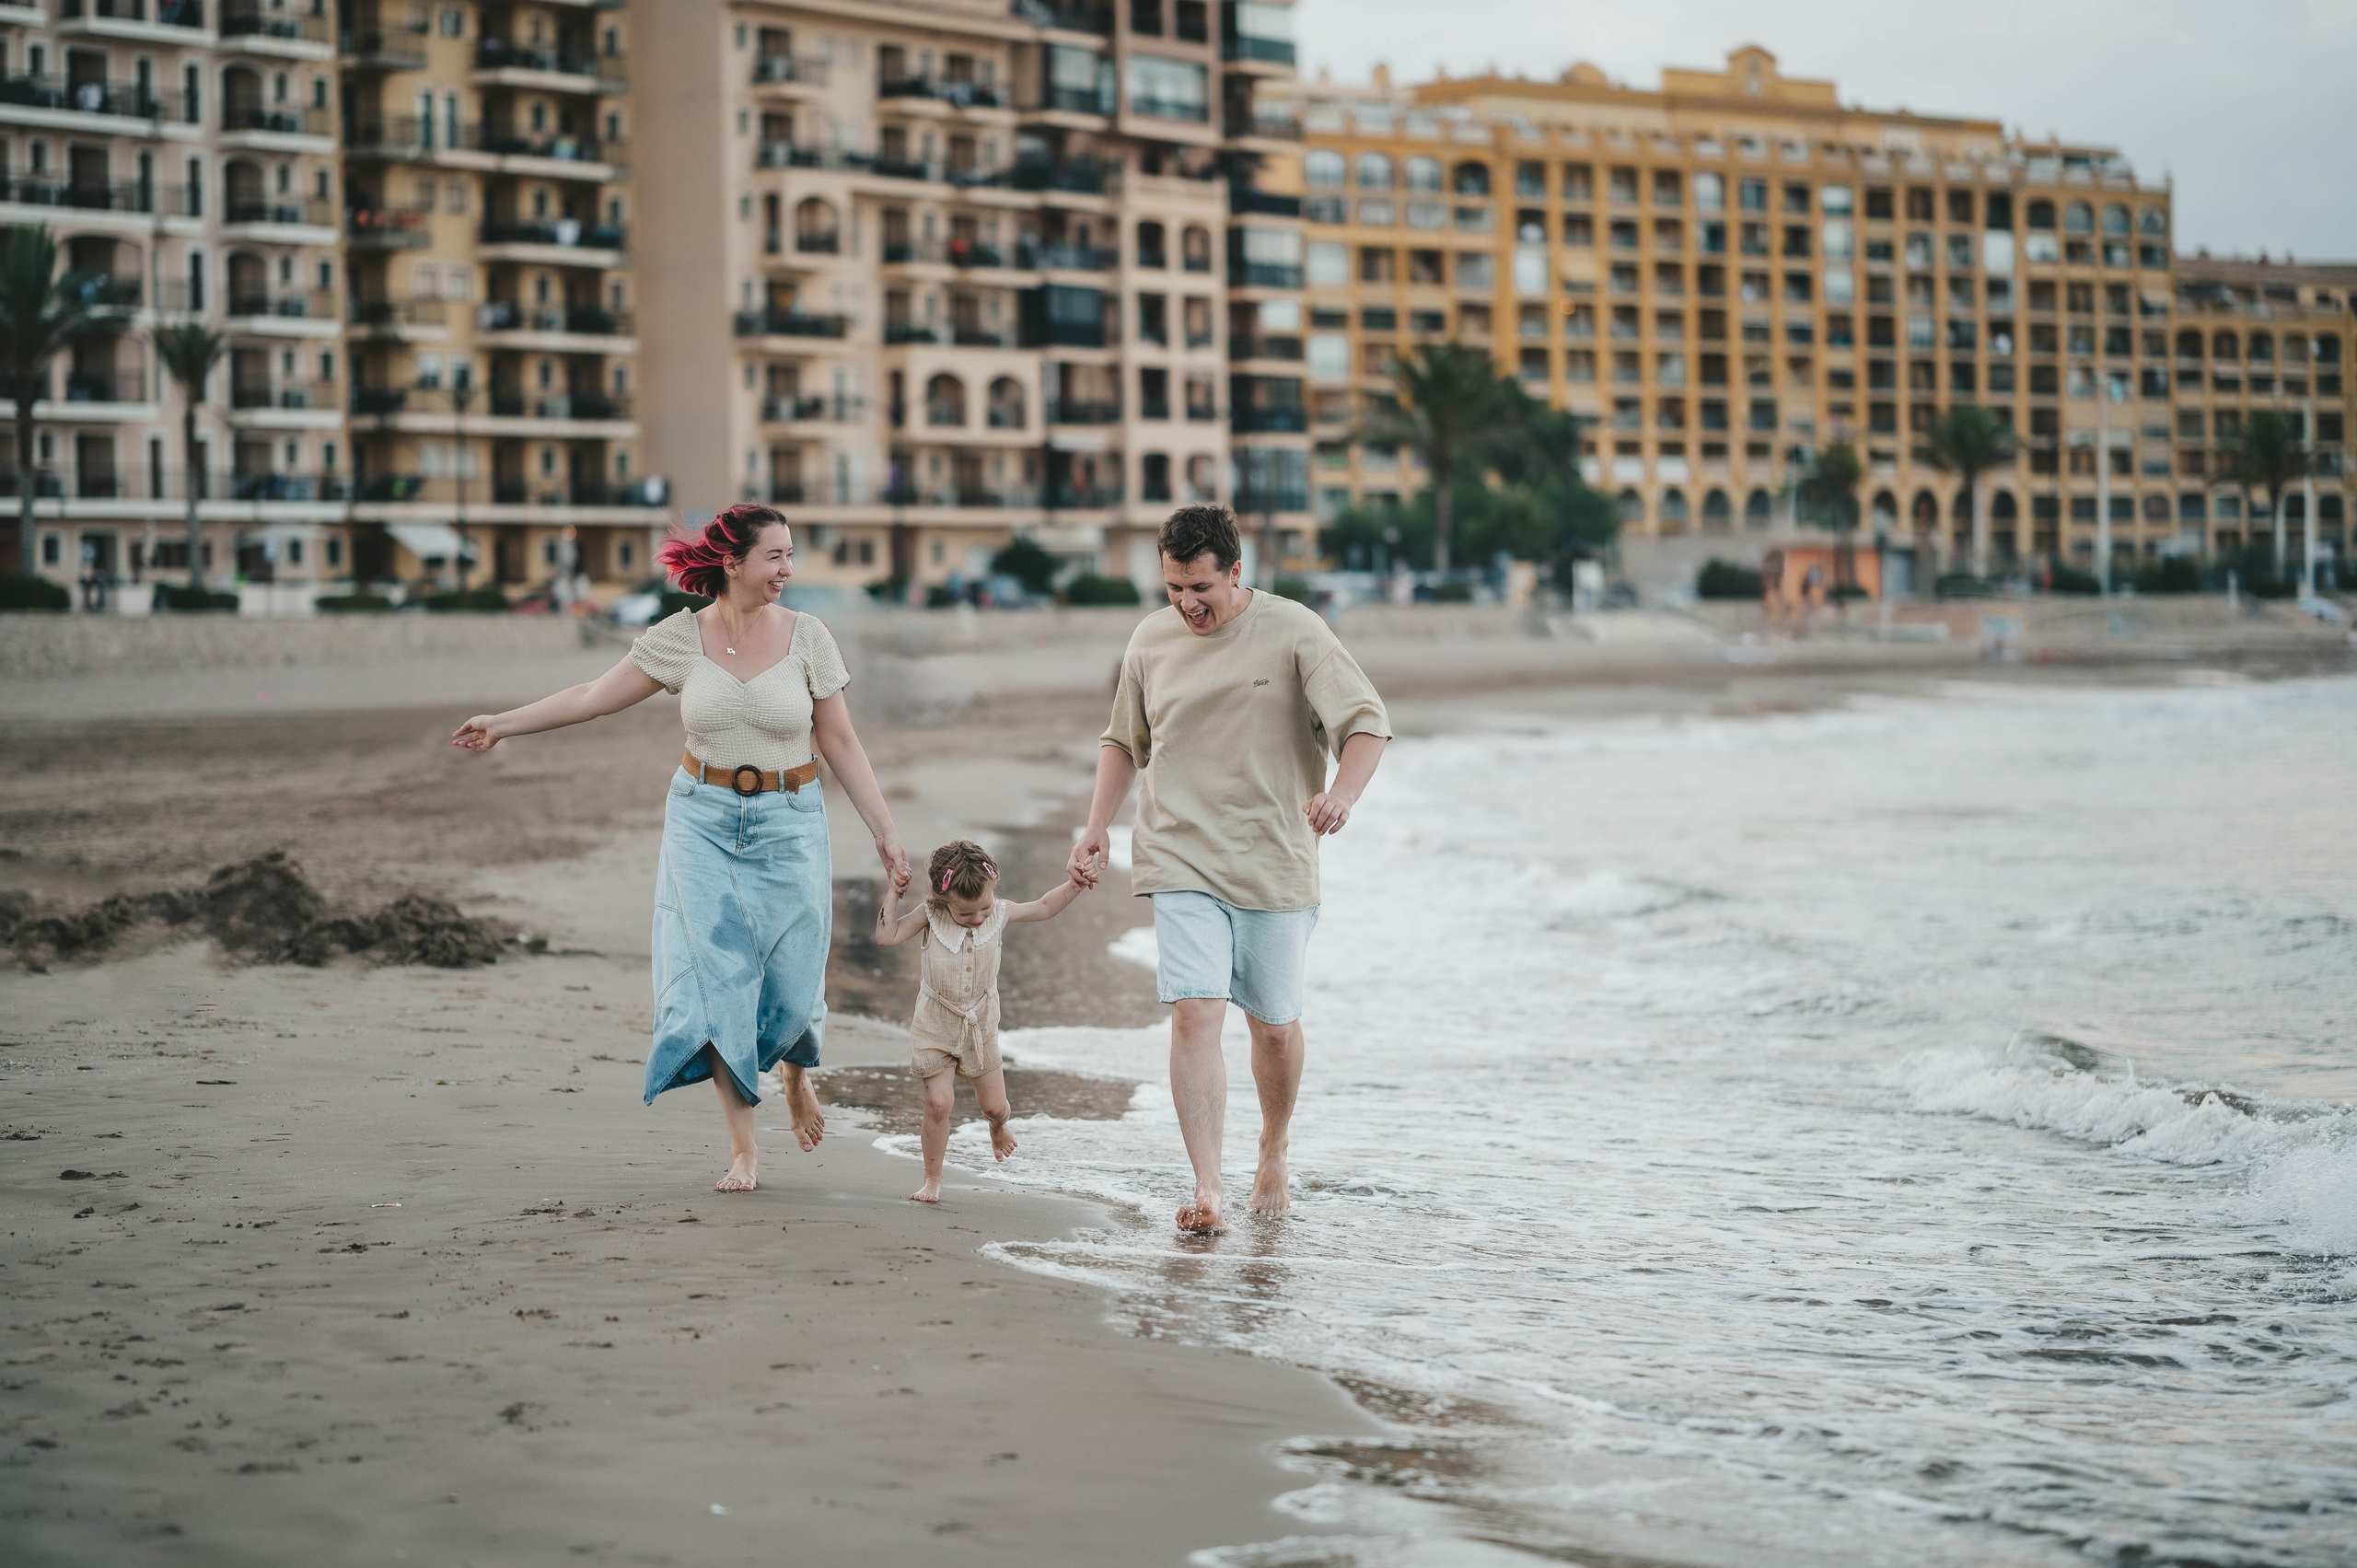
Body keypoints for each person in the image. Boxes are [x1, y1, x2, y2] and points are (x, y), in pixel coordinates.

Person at [450, 502, 911, 1192]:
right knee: (719, 977)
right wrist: (503, 723)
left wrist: (885, 829)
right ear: (733, 564)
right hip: (703, 817)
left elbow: (840, 739)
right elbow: (591, 696)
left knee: (791, 974)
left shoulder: (810, 636)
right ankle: (743, 1150)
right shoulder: (681, 639)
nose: (788, 568)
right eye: (775, 556)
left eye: (790, 555)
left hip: (791, 818)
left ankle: (793, 1075)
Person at [1069, 505, 1390, 1233]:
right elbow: (1124, 740)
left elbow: (1367, 723)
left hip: (1274, 860)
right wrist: (1095, 827)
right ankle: (1207, 1187)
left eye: (1201, 588)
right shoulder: (1151, 638)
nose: (1187, 604)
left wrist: (1342, 795)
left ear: (1236, 572)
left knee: (1273, 1028)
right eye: (1175, 587)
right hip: (1179, 853)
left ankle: (1272, 1146)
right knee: (1196, 1010)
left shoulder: (1296, 630)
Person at [873, 840, 1087, 1203]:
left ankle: (998, 1127)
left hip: (981, 1026)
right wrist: (894, 893)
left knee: (994, 1106)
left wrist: (1075, 884)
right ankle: (932, 1177)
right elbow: (885, 935)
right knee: (938, 1104)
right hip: (935, 1024)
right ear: (944, 901)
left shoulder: (1000, 912)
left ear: (994, 887)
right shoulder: (930, 914)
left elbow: (1045, 907)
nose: (977, 918)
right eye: (965, 913)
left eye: (984, 908)